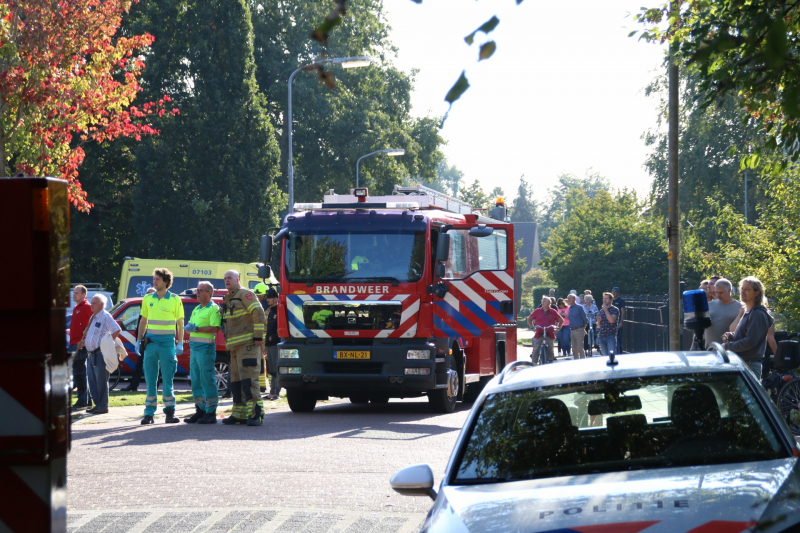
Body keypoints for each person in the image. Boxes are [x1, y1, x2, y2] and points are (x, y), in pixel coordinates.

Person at [136, 268, 184, 425]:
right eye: (154, 279)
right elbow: (143, 320)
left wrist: (180, 342)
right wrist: (138, 340)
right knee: (150, 379)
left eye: (157, 279)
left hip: (168, 343)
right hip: (150, 343)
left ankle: (170, 412)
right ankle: (149, 414)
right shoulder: (147, 298)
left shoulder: (175, 299)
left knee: (168, 380)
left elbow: (180, 322)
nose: (154, 282)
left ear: (166, 282)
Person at [220, 270, 267, 426]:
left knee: (249, 382)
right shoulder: (229, 298)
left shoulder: (245, 294)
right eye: (225, 278)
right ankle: (239, 414)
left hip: (248, 347)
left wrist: (258, 336)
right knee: (236, 384)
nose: (226, 280)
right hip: (234, 348)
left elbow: (258, 313)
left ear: (238, 279)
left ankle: (257, 414)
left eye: (230, 278)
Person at [183, 281, 221, 424]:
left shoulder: (214, 308)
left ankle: (211, 413)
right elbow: (192, 326)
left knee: (207, 380)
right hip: (194, 349)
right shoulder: (197, 309)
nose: (197, 293)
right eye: (197, 290)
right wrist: (189, 328)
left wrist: (196, 329)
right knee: (196, 380)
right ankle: (200, 410)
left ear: (209, 293)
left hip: (205, 349)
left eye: (200, 290)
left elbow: (215, 328)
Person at [75, 294, 121, 414]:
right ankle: (98, 405)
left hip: (100, 353)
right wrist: (84, 343)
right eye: (92, 302)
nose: (92, 305)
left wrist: (107, 344)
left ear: (102, 305)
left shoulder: (105, 316)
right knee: (92, 381)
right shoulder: (93, 317)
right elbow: (93, 335)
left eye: (94, 303)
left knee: (101, 381)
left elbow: (116, 329)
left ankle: (103, 406)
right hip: (91, 354)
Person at [721, 276, 773, 378]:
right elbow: (748, 335)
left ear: (756, 293)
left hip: (749, 365)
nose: (743, 292)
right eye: (742, 289)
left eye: (747, 289)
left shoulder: (757, 314)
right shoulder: (749, 312)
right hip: (743, 363)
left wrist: (726, 347)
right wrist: (732, 335)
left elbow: (750, 342)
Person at [120, 287, 156, 392]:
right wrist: (139, 339)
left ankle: (153, 388)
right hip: (144, 342)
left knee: (153, 366)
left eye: (151, 294)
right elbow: (141, 324)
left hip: (152, 342)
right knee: (139, 365)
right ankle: (133, 386)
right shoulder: (144, 306)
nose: (148, 295)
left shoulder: (156, 308)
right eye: (147, 293)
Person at [68, 285, 93, 409]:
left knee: (79, 373)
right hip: (73, 344)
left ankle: (83, 401)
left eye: (77, 293)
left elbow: (94, 323)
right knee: (78, 373)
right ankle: (86, 400)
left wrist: (85, 339)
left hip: (80, 345)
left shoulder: (87, 307)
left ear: (84, 295)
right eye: (74, 292)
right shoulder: (76, 308)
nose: (74, 295)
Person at [703, 278, 743, 348]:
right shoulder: (710, 305)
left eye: (721, 292)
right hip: (710, 349)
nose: (718, 295)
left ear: (729, 290)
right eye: (716, 292)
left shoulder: (739, 307)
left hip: (728, 350)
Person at [527, 295, 563, 365]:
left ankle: (550, 363)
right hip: (539, 333)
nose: (542, 302)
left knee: (550, 350)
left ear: (549, 303)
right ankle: (533, 364)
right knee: (536, 350)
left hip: (550, 334)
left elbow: (561, 320)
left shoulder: (553, 311)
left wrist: (558, 328)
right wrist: (532, 328)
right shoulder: (537, 311)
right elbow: (529, 319)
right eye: (542, 301)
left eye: (544, 301)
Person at [264, 288, 280, 401]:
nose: (268, 300)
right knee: (271, 369)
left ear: (276, 299)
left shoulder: (279, 311)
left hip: (275, 343)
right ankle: (272, 391)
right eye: (267, 298)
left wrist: (273, 337)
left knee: (276, 368)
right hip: (269, 344)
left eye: (270, 298)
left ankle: (276, 392)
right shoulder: (270, 311)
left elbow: (280, 328)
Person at [596, 292, 620, 356]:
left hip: (610, 336)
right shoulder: (601, 311)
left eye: (606, 298)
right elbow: (598, 326)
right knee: (605, 357)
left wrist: (606, 310)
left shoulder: (615, 309)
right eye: (603, 298)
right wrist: (598, 321)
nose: (604, 300)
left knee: (611, 355)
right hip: (601, 336)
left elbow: (612, 321)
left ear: (611, 300)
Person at [567, 293, 589, 359]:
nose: (569, 300)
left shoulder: (579, 307)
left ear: (574, 299)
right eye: (568, 298)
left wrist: (583, 328)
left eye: (570, 298)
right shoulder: (570, 308)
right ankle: (576, 361)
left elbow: (585, 319)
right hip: (572, 330)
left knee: (580, 348)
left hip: (579, 329)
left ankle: (582, 361)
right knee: (574, 349)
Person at [611, 287, 626, 353]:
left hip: (618, 321)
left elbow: (623, 312)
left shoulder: (621, 301)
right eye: (613, 292)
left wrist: (621, 322)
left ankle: (620, 352)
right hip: (611, 321)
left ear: (618, 293)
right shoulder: (610, 300)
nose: (614, 293)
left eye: (615, 292)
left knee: (619, 338)